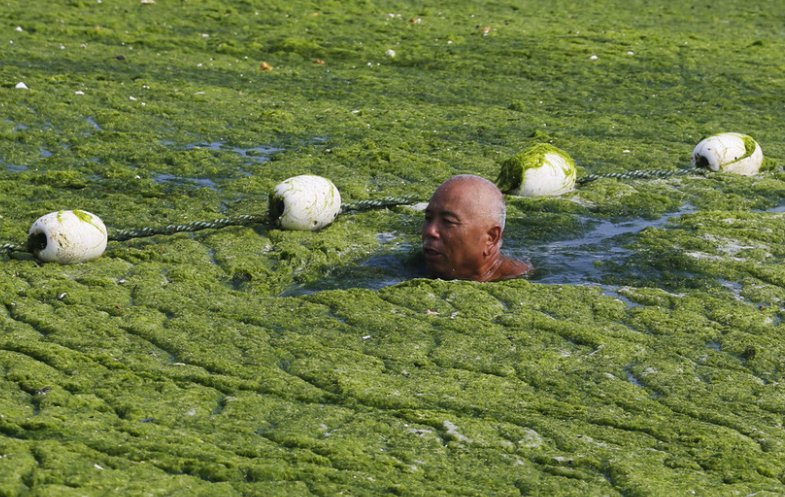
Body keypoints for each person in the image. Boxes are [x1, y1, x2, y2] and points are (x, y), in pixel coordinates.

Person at [421, 174, 533, 282]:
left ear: (491, 238)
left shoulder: (523, 284)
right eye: (428, 218)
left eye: (448, 222)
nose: (430, 231)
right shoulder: (416, 265)